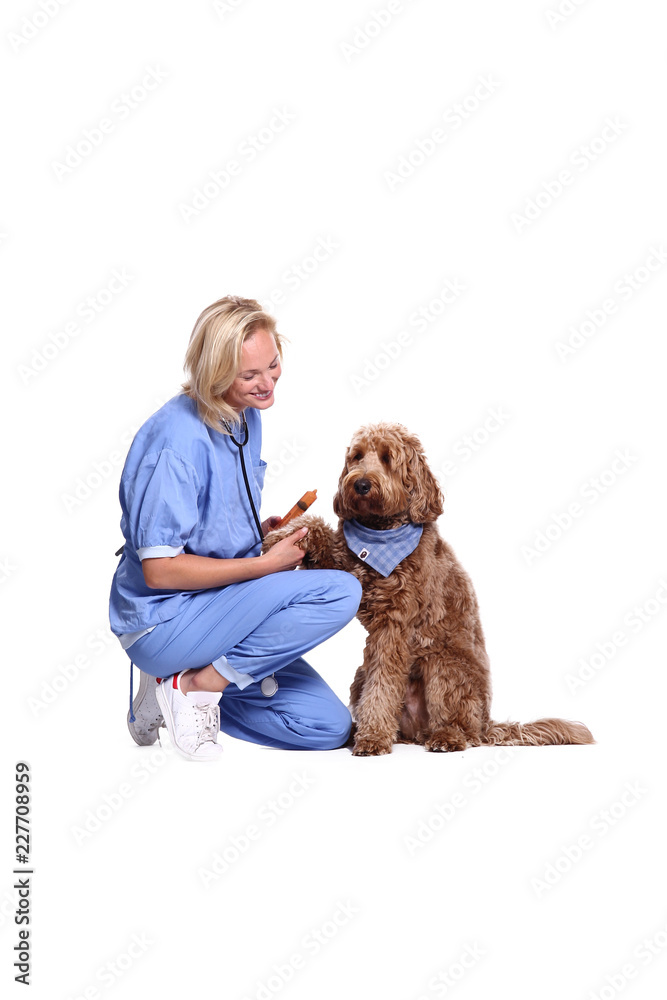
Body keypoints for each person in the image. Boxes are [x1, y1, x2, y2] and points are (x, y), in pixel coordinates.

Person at [109, 295, 361, 761]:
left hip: (215, 612)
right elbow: (160, 572)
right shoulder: (175, 441)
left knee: (327, 726)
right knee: (340, 591)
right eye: (249, 376)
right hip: (164, 621)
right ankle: (192, 683)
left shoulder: (245, 415)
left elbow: (211, 517)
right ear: (215, 374)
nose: (266, 384)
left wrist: (255, 533)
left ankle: (180, 687)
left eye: (273, 365)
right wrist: (265, 566)